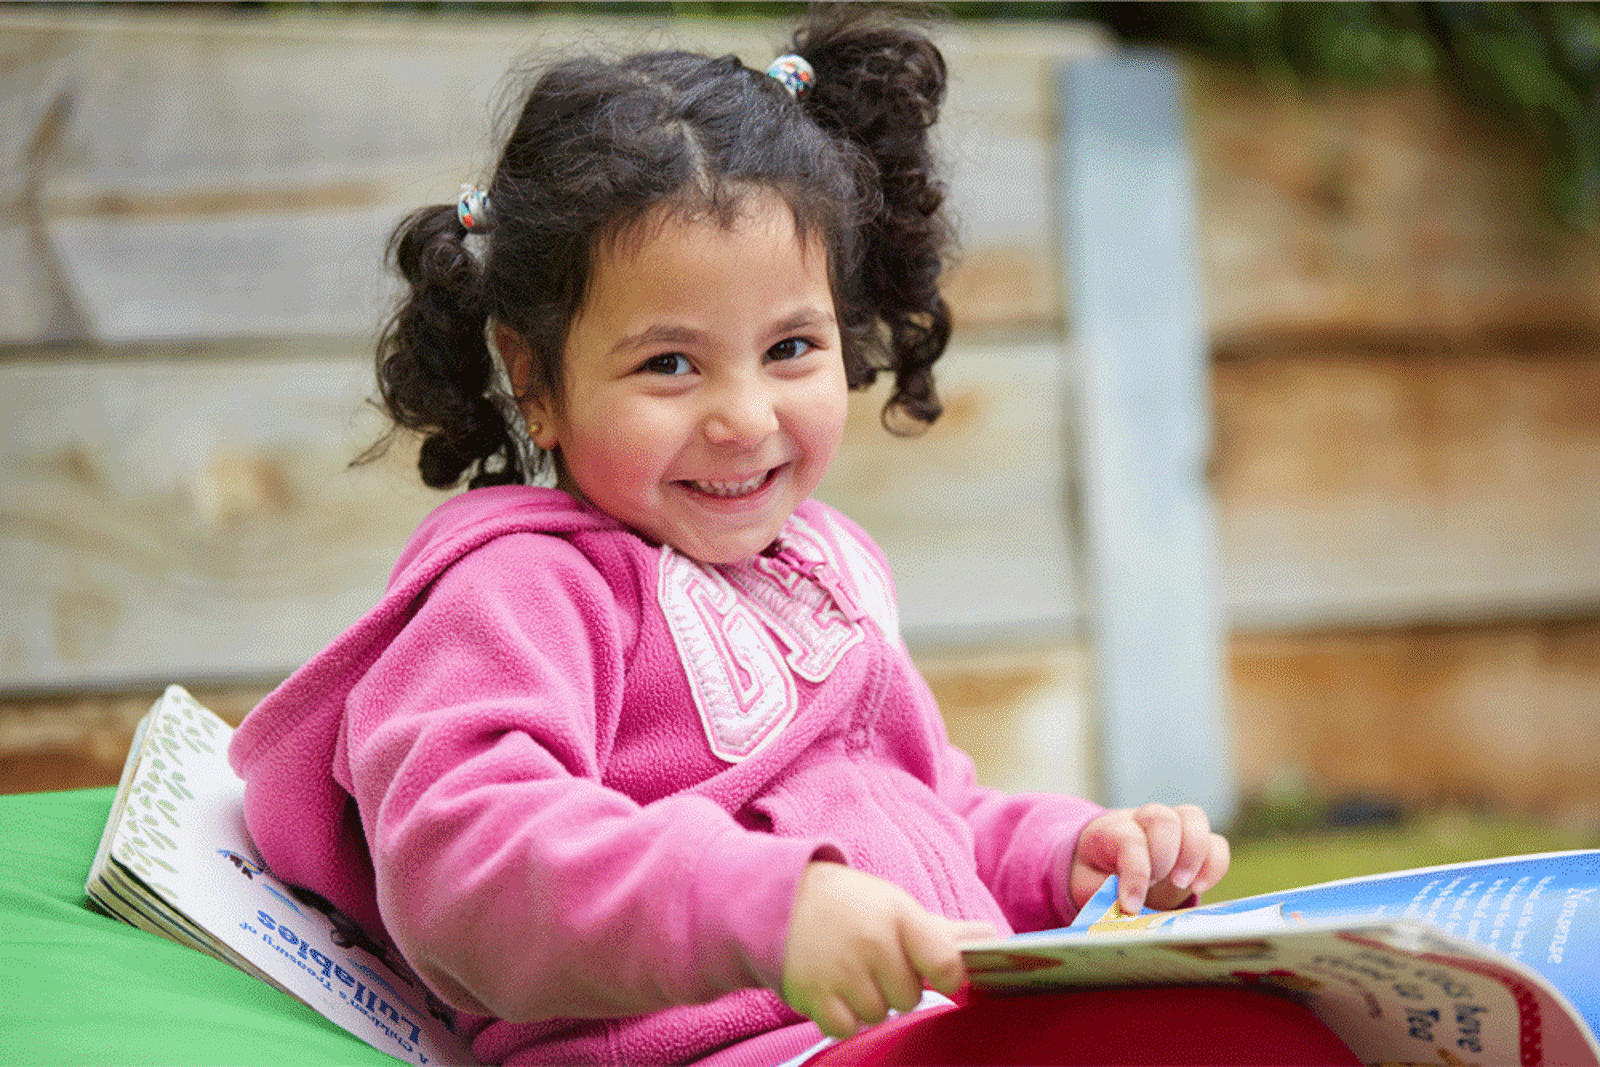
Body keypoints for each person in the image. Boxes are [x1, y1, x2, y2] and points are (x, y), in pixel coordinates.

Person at [231, 9, 1347, 1066]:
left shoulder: (829, 565)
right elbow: (468, 861)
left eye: (791, 348)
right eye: (668, 362)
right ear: (536, 378)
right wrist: (770, 907)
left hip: (914, 1027)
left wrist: (1067, 856)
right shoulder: (522, 590)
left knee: (1284, 1028)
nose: (744, 416)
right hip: (745, 1049)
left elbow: (925, 807)